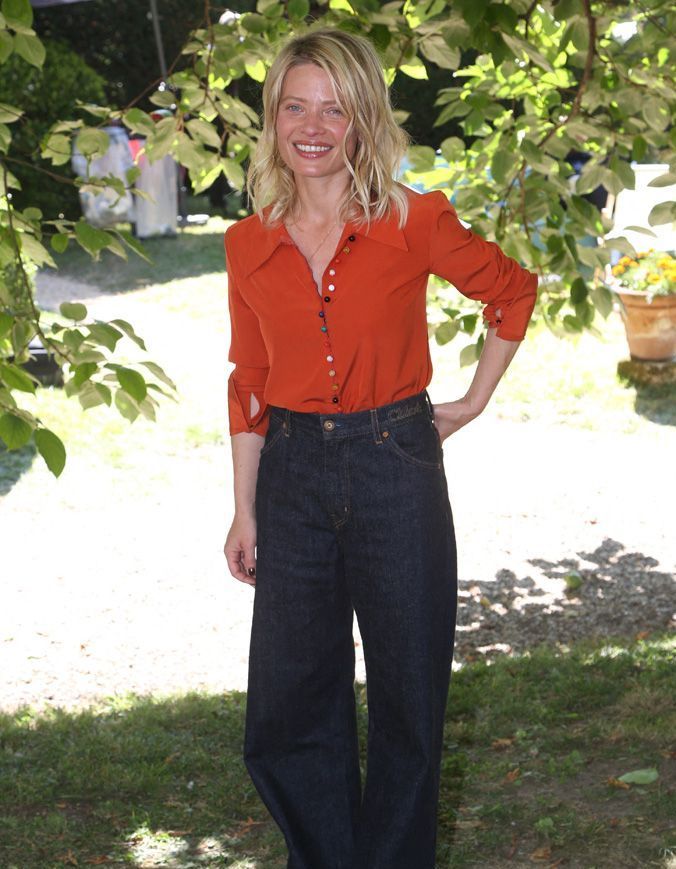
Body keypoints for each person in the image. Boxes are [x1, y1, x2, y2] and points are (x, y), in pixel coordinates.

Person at [223, 26, 537, 869]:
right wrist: (244, 508)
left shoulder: (414, 220)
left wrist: (468, 402)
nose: (314, 125)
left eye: (335, 107)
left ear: (364, 118)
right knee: (290, 701)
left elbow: (512, 292)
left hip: (395, 463)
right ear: (275, 118)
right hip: (288, 473)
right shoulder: (246, 243)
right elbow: (248, 380)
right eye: (296, 105)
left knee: (408, 696)